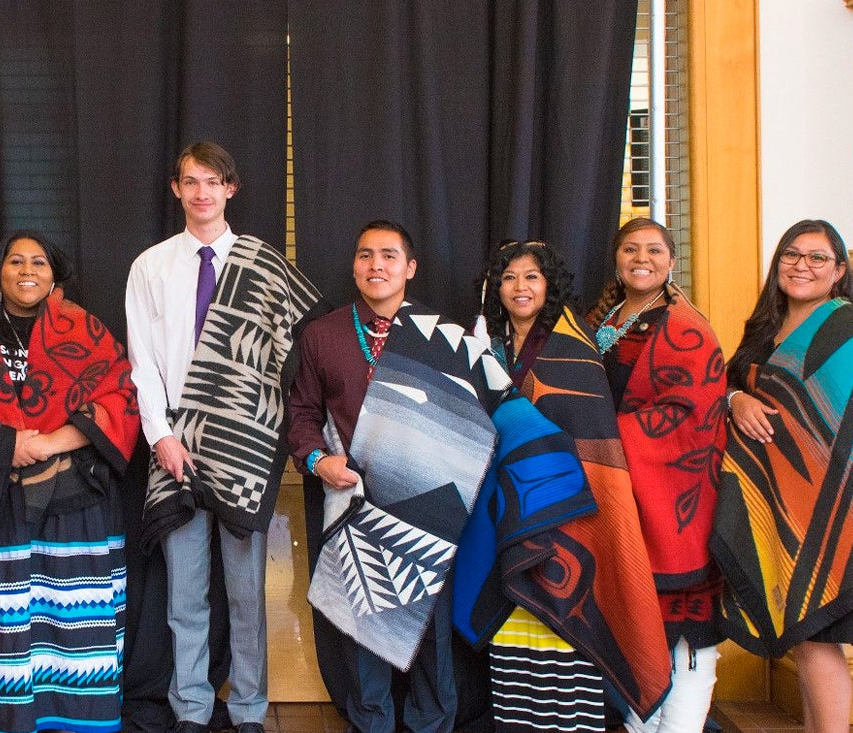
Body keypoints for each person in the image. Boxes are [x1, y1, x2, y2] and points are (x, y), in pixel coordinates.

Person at [286, 222, 583, 733]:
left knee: (429, 631)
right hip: (354, 501)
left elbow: (496, 405)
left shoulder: (447, 336)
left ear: (410, 267)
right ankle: (371, 724)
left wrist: (551, 459)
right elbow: (302, 414)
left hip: (430, 505)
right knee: (364, 627)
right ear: (354, 265)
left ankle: (433, 724)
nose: (375, 265)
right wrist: (318, 460)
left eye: (388, 255)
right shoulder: (323, 334)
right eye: (365, 255)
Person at [125, 141, 320, 733]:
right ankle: (190, 709)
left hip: (242, 445)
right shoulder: (150, 265)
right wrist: (159, 434)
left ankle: (249, 711)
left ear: (231, 188)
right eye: (191, 181)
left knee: (245, 593)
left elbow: (299, 349)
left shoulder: (262, 264)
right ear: (176, 189)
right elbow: (142, 362)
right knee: (185, 594)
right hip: (173, 443)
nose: (202, 192)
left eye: (213, 181)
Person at [0, 230, 139, 733]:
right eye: (15, 261)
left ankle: (71, 715)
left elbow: (121, 395)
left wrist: (47, 442)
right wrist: (3, 444)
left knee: (66, 621)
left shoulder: (82, 328)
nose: (27, 271)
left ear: (53, 273)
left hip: (71, 502)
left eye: (38, 262)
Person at [453, 240, 670, 731]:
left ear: (549, 285)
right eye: (509, 278)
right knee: (511, 636)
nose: (520, 287)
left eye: (531, 276)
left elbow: (591, 433)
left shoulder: (574, 345)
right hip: (501, 509)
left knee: (566, 620)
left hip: (568, 515)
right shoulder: (487, 345)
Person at [586, 217, 728, 733]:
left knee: (682, 621)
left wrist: (602, 436)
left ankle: (682, 725)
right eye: (629, 249)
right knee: (633, 614)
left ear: (671, 260)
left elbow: (691, 412)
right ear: (617, 259)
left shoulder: (685, 326)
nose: (640, 258)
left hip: (670, 494)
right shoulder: (605, 318)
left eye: (652, 249)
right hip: (619, 491)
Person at [713, 219, 853, 733]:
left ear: (839, 271)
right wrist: (735, 399)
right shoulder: (767, 329)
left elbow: (838, 422)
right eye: (792, 255)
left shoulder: (844, 326)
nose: (802, 266)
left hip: (832, 507)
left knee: (816, 634)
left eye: (818, 258)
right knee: (805, 635)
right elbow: (729, 384)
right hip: (779, 501)